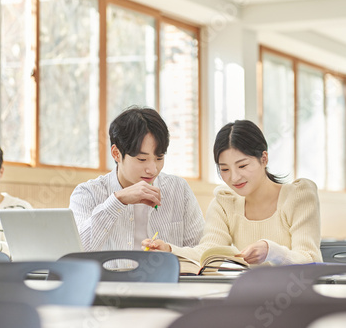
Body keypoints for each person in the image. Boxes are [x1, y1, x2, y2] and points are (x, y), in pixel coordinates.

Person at [143, 119, 323, 265]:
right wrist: (169, 250)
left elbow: (310, 258)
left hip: (293, 298)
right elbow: (207, 254)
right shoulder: (225, 202)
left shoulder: (299, 196)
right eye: (225, 169)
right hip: (245, 296)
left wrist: (271, 251)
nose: (234, 178)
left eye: (242, 165)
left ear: (264, 158)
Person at [69, 106, 205, 254]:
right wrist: (118, 200)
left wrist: (172, 251)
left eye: (159, 158)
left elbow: (201, 252)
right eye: (142, 159)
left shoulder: (179, 189)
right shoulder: (87, 193)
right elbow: (77, 250)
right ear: (116, 154)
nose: (153, 169)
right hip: (107, 278)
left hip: (164, 277)